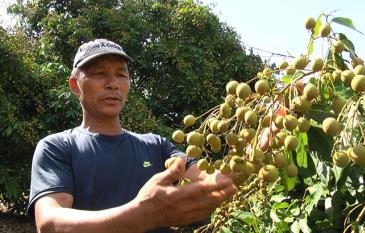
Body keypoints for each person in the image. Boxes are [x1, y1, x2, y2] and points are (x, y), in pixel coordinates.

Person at [27, 39, 237, 233]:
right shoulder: (57, 147)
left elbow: (217, 180)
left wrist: (264, 141)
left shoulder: (156, 145)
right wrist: (142, 214)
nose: (113, 83)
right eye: (100, 73)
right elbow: (50, 222)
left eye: (121, 74)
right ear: (75, 85)